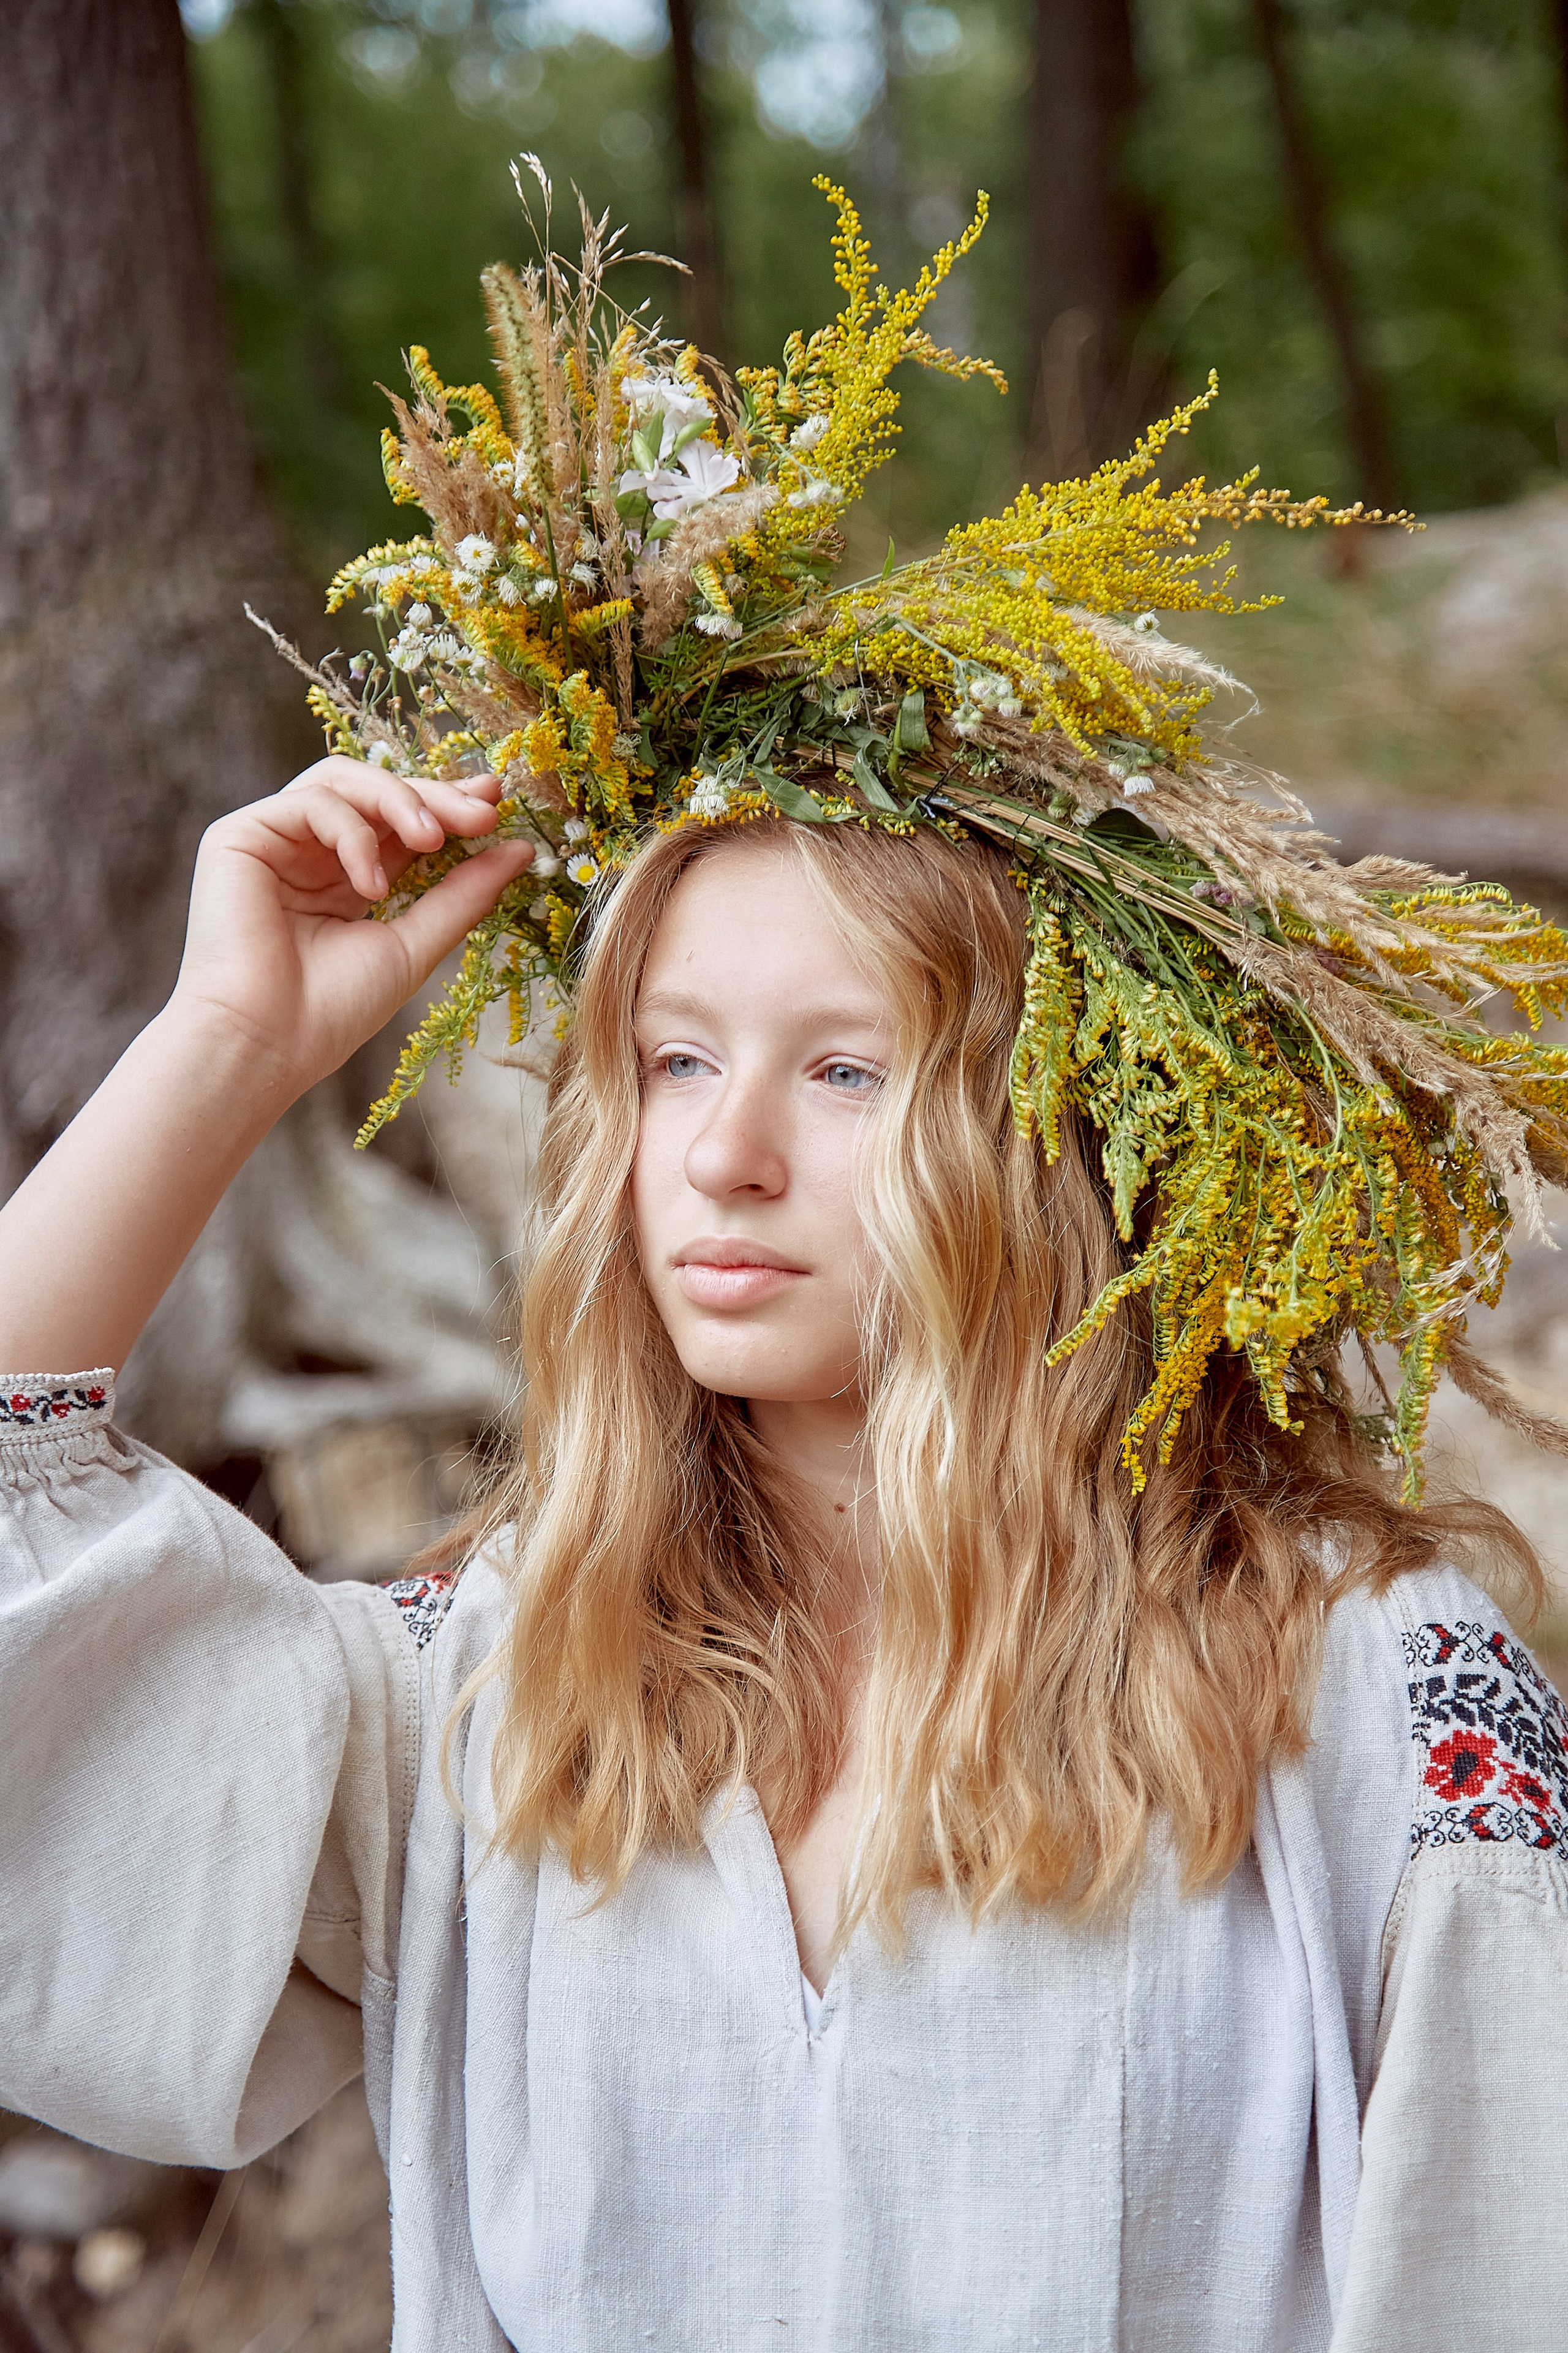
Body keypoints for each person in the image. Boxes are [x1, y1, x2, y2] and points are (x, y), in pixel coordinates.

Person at [6, 178, 1568, 2350]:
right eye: (666, 1061)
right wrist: (223, 1049)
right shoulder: (508, 1691)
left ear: (1064, 1130)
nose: (716, 1157)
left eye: (844, 1070)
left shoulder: (1368, 1703)